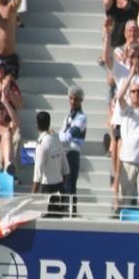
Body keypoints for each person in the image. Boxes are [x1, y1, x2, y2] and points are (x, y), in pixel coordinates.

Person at [112, 69, 139, 208]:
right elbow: (119, 97)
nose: (136, 93)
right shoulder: (125, 110)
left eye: (138, 91)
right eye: (133, 91)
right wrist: (131, 74)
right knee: (124, 200)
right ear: (129, 94)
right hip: (127, 161)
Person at [30, 110, 68, 217]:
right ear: (49, 123)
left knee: (45, 222)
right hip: (60, 186)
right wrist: (61, 185)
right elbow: (66, 169)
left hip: (47, 189)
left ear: (37, 125)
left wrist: (32, 196)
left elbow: (38, 174)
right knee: (58, 223)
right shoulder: (57, 140)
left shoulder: (41, 144)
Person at [59, 86, 86, 217]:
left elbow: (69, 135)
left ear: (81, 101)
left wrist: (57, 137)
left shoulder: (81, 118)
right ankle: (64, 210)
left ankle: (72, 212)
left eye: (76, 99)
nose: (73, 101)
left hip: (73, 153)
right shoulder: (68, 117)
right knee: (63, 184)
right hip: (65, 152)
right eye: (71, 98)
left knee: (70, 184)